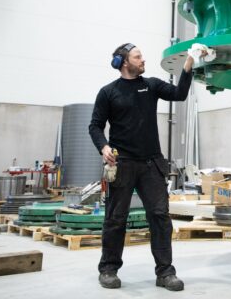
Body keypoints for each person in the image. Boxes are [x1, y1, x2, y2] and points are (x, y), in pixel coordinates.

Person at [88, 43, 197, 291]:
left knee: (160, 217)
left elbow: (179, 93)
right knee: (115, 218)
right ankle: (108, 270)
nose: (143, 60)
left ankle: (165, 273)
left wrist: (189, 63)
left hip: (151, 164)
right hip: (122, 164)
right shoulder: (108, 92)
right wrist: (103, 146)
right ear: (124, 62)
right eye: (138, 57)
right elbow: (95, 126)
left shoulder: (152, 85)